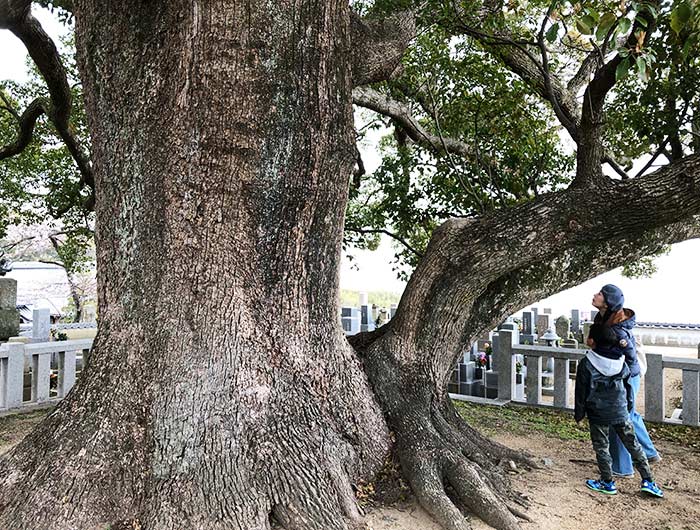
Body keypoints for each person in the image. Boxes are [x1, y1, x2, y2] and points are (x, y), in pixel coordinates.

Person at [575, 323, 664, 497]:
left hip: (598, 414)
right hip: (621, 412)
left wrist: (580, 414)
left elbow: (581, 391)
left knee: (602, 448)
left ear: (592, 341)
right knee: (634, 446)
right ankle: (649, 481)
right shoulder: (621, 363)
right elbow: (628, 388)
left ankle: (607, 482)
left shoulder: (587, 364)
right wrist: (628, 407)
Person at [592, 284, 660, 476]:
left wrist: (621, 380)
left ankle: (622, 467)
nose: (595, 295)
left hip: (626, 376)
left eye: (599, 294)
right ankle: (648, 452)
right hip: (623, 375)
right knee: (628, 415)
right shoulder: (604, 319)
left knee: (619, 418)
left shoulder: (618, 326)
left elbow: (628, 356)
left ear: (608, 302)